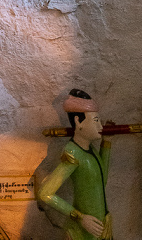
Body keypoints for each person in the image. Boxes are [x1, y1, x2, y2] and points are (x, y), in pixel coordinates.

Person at [38, 89, 112, 239]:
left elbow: (101, 182)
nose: (100, 127)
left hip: (100, 225)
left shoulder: (90, 149)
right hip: (84, 230)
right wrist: (80, 217)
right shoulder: (73, 153)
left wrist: (106, 144)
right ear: (78, 122)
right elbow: (45, 193)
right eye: (96, 121)